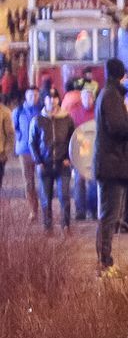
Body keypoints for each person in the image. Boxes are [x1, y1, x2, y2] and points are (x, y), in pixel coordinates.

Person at [92, 57, 128, 275]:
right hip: (112, 164)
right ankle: (105, 262)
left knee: (109, 215)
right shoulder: (111, 96)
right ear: (123, 75)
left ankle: (105, 260)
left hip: (112, 163)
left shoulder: (109, 94)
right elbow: (118, 127)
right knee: (109, 216)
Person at [31, 95, 76, 234]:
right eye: (49, 97)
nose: (52, 100)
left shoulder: (67, 119)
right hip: (45, 164)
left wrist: (69, 158)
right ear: (44, 100)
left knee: (64, 196)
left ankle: (65, 225)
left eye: (55, 97)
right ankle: (48, 226)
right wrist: (38, 161)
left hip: (63, 164)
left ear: (58, 100)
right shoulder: (38, 120)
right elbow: (32, 143)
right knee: (46, 197)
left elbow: (73, 140)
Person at [13, 86, 42, 222]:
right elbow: (14, 128)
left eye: (36, 95)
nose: (33, 98)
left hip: (41, 151)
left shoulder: (42, 110)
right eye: (30, 95)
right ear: (26, 96)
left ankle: (46, 210)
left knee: (43, 181)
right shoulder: (18, 111)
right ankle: (33, 210)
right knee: (28, 182)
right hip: (24, 151)